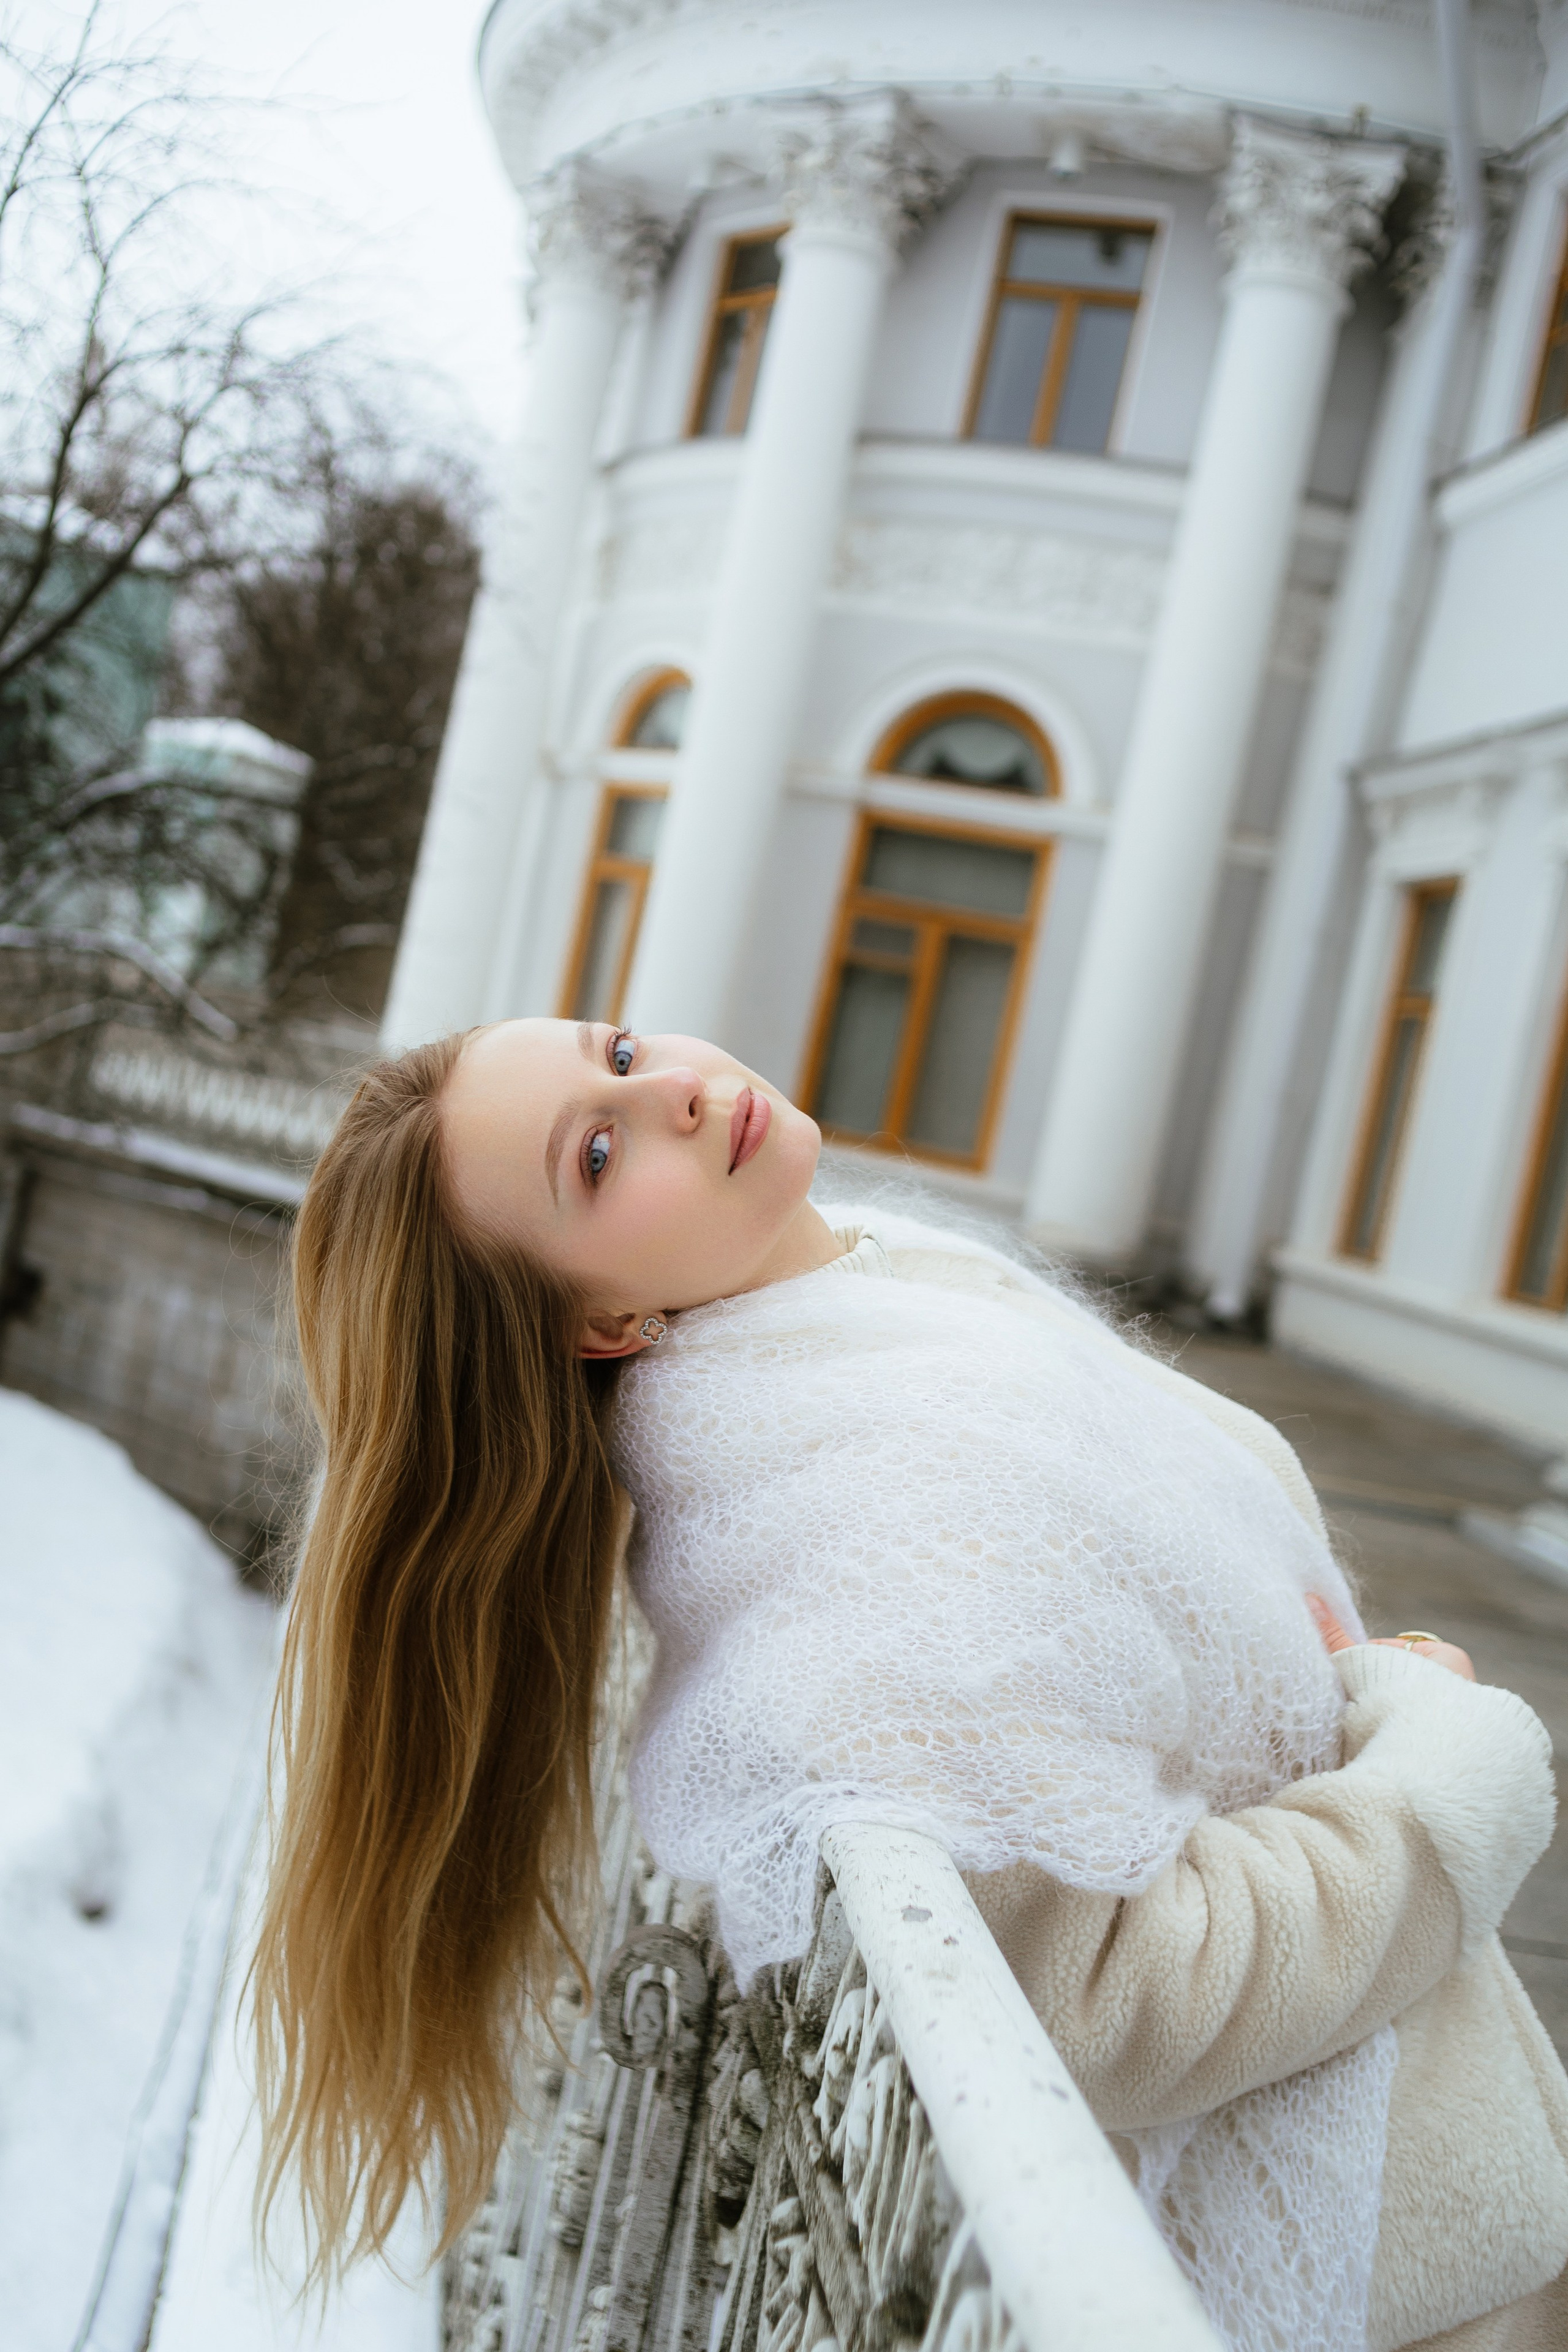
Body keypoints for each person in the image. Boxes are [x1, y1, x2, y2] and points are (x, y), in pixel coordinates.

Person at [254, 1018, 1568, 2351]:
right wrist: (1440, 1776)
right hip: (1417, 2275)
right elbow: (1113, 1999)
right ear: (604, 1320)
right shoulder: (878, 1526)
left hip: (1449, 2124)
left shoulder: (855, 1296)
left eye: (621, 1044)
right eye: (598, 1153)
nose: (678, 1095)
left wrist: (1356, 1685)